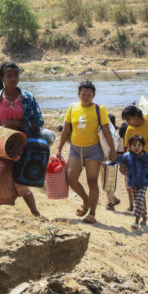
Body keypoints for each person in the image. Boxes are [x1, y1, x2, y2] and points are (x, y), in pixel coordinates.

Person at [0, 62, 44, 217]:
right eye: (9, 76)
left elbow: (39, 121)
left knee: (19, 179)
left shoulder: (28, 98)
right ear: (2, 78)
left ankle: (35, 212)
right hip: (2, 146)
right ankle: (6, 214)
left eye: (16, 75)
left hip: (22, 145)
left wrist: (18, 124)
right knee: (3, 179)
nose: (13, 78)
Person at [55, 80, 116, 224]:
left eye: (89, 94)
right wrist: (59, 148)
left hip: (93, 150)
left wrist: (113, 150)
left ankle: (92, 213)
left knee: (92, 181)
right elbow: (66, 130)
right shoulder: (72, 107)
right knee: (71, 178)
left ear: (94, 96)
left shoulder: (99, 109)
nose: (86, 97)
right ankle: (86, 200)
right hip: (75, 149)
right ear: (78, 94)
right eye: (83, 94)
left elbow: (107, 131)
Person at [115, 135, 148, 230]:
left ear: (143, 146)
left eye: (139, 145)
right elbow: (118, 159)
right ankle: (144, 217)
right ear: (130, 146)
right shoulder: (127, 156)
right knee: (139, 202)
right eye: (134, 145)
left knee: (137, 201)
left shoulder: (146, 156)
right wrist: (112, 156)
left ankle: (136, 221)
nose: (137, 147)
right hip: (132, 183)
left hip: (143, 183)